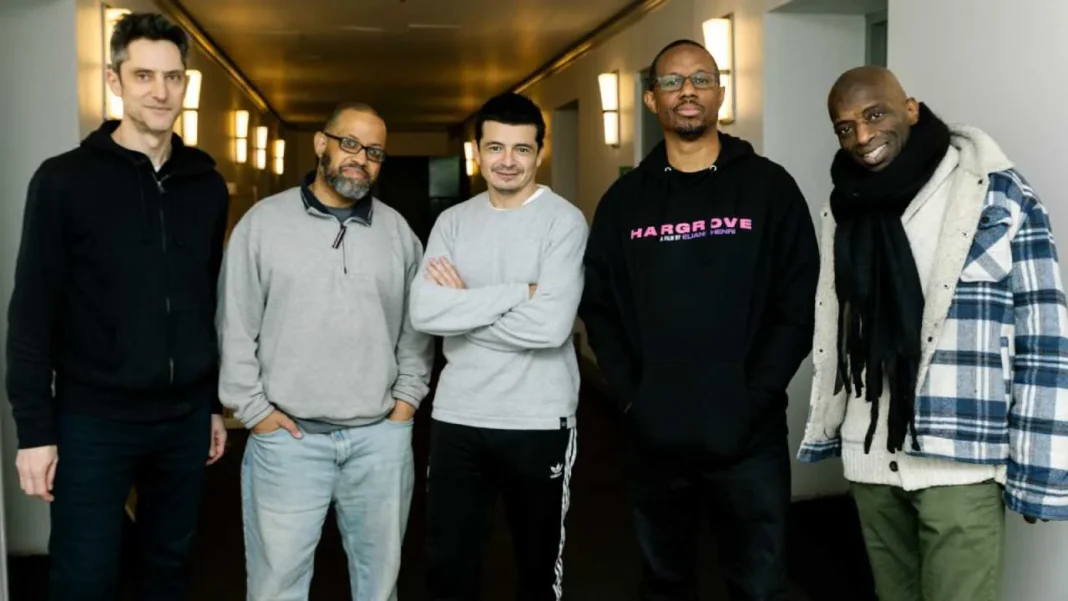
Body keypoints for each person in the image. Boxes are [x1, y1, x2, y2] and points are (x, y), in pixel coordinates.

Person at [798, 65, 1068, 601]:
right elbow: (835, 321)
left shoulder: (996, 193)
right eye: (845, 127)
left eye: (874, 115)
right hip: (870, 451)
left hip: (959, 455)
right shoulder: (841, 206)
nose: (863, 136)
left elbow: (1044, 334)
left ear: (911, 109)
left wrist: (1040, 467)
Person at [579, 40, 820, 600]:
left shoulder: (769, 188)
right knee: (665, 582)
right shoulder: (624, 202)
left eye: (701, 79)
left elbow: (797, 299)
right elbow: (600, 306)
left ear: (720, 93)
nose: (687, 91)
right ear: (650, 98)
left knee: (760, 586)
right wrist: (633, 396)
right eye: (672, 81)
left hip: (749, 434)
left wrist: (754, 395)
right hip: (654, 434)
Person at [5, 12, 229, 600]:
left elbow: (205, 301)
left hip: (182, 420)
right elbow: (30, 313)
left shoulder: (205, 185)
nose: (161, 91)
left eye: (173, 77)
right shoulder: (62, 181)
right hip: (91, 420)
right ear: (115, 80)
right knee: (84, 578)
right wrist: (34, 431)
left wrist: (209, 404)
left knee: (169, 571)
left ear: (186, 83)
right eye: (144, 76)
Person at [217, 101, 433, 601]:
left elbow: (416, 331)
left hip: (379, 440)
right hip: (288, 442)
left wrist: (405, 405)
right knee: (277, 586)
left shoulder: (399, 232)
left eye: (374, 151)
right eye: (350, 144)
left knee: (379, 585)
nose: (361, 158)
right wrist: (254, 412)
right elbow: (234, 324)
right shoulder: (262, 224)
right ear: (321, 143)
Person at [409, 92, 588, 601]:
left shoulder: (564, 221)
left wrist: (462, 309)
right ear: (478, 152)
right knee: (449, 565)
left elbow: (551, 328)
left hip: (538, 420)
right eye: (495, 148)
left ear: (539, 153)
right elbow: (424, 312)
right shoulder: (453, 222)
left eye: (521, 149)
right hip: (458, 418)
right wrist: (517, 294)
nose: (507, 161)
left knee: (537, 567)